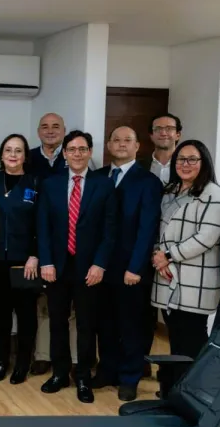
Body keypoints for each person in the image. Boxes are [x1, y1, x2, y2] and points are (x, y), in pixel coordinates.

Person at [37, 131, 116, 403]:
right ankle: (59, 373)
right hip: (57, 267)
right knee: (57, 321)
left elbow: (110, 230)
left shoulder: (104, 185)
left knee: (86, 324)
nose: (77, 154)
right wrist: (46, 261)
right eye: (72, 149)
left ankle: (83, 376)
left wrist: (100, 264)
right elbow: (42, 227)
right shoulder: (51, 184)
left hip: (89, 268)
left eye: (82, 149)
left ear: (90, 152)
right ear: (65, 153)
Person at [151, 140, 220, 390]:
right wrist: (157, 255)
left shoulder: (213, 194)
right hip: (167, 274)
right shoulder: (170, 191)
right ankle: (175, 388)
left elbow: (207, 237)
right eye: (181, 159)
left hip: (196, 279)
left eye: (193, 159)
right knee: (175, 336)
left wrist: (168, 255)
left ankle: (195, 390)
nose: (186, 164)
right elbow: (158, 228)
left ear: (204, 162)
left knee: (192, 338)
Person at [94, 127, 163, 402]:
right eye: (116, 140)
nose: (121, 144)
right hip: (99, 267)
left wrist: (135, 267)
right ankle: (106, 370)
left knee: (132, 325)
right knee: (105, 323)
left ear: (137, 146)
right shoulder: (98, 177)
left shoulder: (149, 182)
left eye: (127, 140)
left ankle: (130, 377)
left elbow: (147, 229)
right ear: (108, 145)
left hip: (131, 269)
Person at [0, 134, 41, 384]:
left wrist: (35, 255)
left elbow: (43, 223)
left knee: (26, 315)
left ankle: (22, 363)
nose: (13, 154)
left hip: (25, 263)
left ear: (25, 156)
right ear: (1, 154)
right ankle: (1, 361)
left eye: (18, 150)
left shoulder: (36, 183)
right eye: (8, 150)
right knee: (0, 314)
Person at [28, 112, 70, 377]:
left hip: (69, 241)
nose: (50, 130)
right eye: (45, 126)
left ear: (64, 131)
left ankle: (71, 359)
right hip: (37, 237)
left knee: (70, 307)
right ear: (38, 131)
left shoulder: (74, 156)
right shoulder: (29, 158)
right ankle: (43, 355)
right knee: (43, 304)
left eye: (56, 126)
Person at [143, 114, 182, 185]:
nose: (163, 133)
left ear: (178, 135)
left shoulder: (187, 165)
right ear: (151, 136)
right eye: (158, 129)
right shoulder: (139, 166)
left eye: (169, 128)